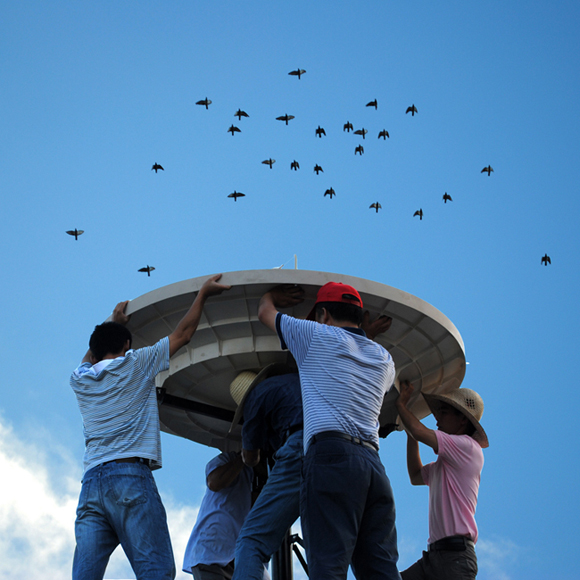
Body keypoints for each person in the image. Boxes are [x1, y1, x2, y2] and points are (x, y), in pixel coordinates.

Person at [70, 274, 231, 580]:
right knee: (156, 573)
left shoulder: (80, 379)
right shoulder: (137, 363)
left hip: (91, 484)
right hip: (130, 477)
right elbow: (182, 335)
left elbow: (88, 358)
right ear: (127, 345)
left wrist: (115, 325)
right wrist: (203, 294)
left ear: (92, 353)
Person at [257, 281, 400, 580]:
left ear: (322, 315)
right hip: (373, 467)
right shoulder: (384, 359)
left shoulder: (313, 335)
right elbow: (353, 367)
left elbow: (265, 313)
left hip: (331, 458)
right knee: (381, 570)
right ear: (360, 317)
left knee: (328, 567)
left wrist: (271, 296)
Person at [395, 381, 488, 580]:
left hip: (455, 558)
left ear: (462, 419)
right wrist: (411, 433)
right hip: (437, 557)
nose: (437, 419)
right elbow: (416, 475)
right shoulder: (446, 464)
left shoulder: (468, 447)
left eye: (443, 412)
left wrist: (402, 406)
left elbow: (420, 431)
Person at [229, 365, 303, 580]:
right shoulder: (299, 379)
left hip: (300, 449)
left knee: (252, 541)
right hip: (349, 448)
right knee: (329, 546)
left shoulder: (257, 395)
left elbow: (251, 457)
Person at [182, 451, 254, 580]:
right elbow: (214, 482)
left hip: (242, 559)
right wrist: (245, 455)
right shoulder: (227, 459)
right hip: (211, 554)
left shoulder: (268, 473)